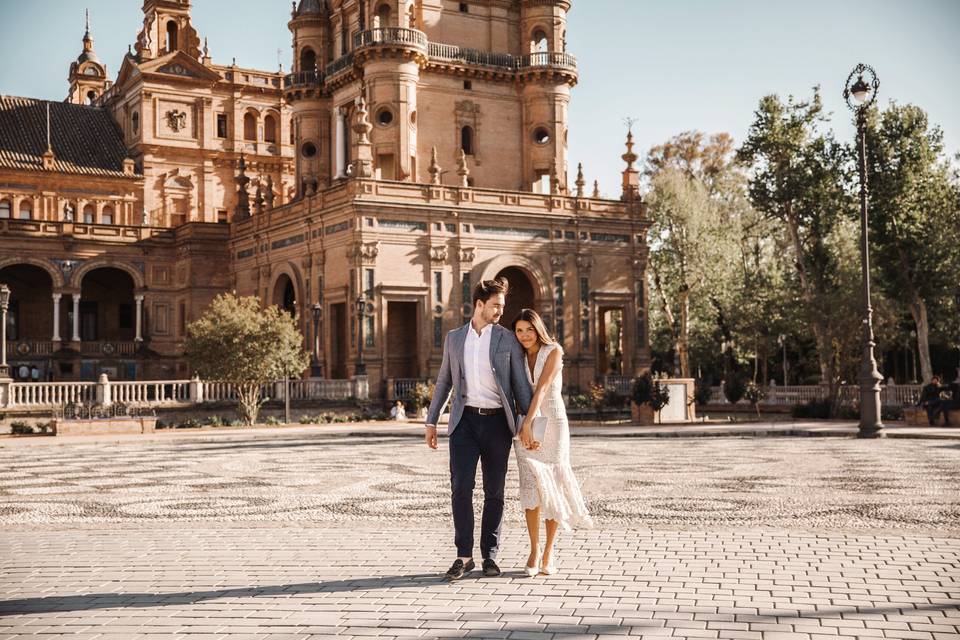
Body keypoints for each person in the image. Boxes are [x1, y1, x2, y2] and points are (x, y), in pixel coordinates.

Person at [424, 277, 533, 581]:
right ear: (479, 305)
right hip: (464, 423)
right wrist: (432, 421)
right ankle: (464, 555)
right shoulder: (455, 338)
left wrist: (529, 423)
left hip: (498, 422)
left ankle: (490, 555)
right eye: (496, 305)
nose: (501, 310)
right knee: (460, 488)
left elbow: (520, 386)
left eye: (502, 305)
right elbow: (444, 381)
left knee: (494, 491)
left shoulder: (507, 339)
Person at [512, 309, 593, 577]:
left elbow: (543, 388)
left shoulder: (554, 351)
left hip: (552, 422)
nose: (524, 335)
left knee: (551, 485)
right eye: (519, 330)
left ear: (538, 330)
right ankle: (534, 550)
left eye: (528, 330)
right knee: (531, 486)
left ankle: (548, 551)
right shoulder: (518, 354)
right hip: (527, 423)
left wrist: (528, 424)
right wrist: (524, 425)